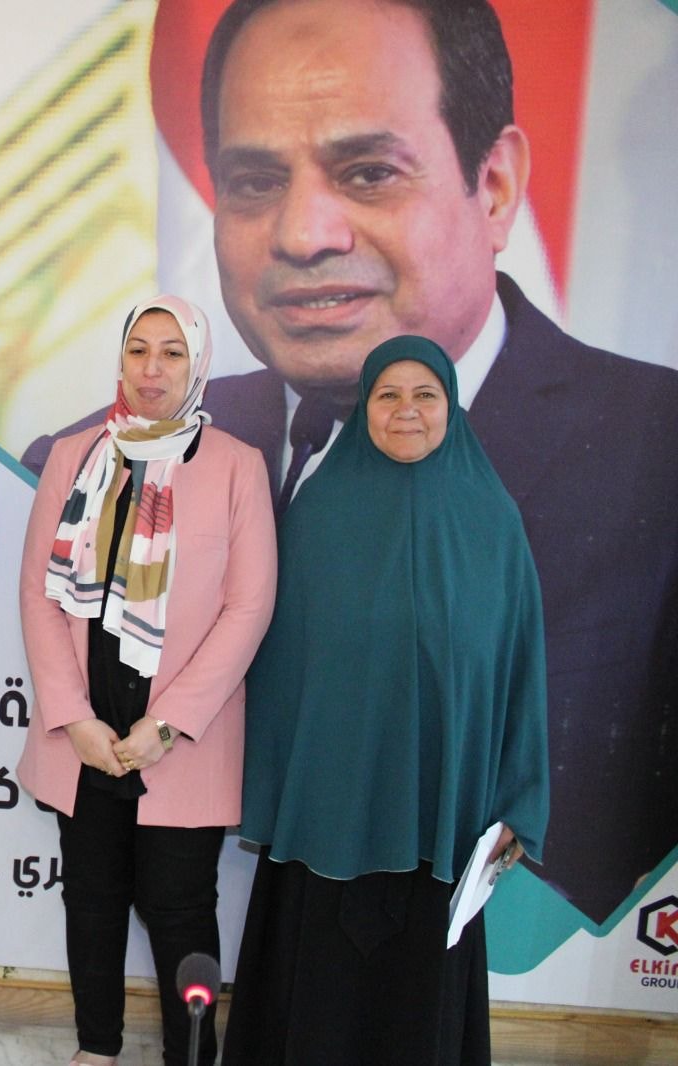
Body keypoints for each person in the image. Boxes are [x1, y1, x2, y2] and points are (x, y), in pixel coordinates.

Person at [28, 0, 678, 924]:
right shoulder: (86, 459)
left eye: (369, 171)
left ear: (494, 186)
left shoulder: (656, 450)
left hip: (451, 914)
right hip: (278, 887)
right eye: (254, 181)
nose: (304, 234)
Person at [221, 335, 549, 1065]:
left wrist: (521, 802)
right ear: (364, 406)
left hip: (443, 806)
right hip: (326, 811)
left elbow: (522, 670)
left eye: (424, 395)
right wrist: (272, 790)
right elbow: (276, 672)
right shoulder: (318, 512)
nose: (406, 411)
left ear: (450, 407)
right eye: (388, 395)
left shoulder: (492, 524)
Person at [16, 296, 276, 1066]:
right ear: (121, 360)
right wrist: (74, 717)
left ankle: (190, 1057)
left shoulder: (236, 466)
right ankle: (96, 1048)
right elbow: (38, 593)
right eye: (138, 350)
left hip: (180, 739)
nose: (152, 368)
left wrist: (167, 724)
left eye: (171, 352)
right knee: (91, 899)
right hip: (86, 736)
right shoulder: (74, 456)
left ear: (198, 364)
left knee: (181, 909)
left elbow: (249, 608)